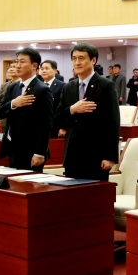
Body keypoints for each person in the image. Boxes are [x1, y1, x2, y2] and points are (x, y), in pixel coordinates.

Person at [54, 43, 120, 181]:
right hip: (72, 154)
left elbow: (112, 121)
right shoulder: (68, 87)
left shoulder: (105, 85)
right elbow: (57, 118)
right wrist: (72, 109)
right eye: (74, 58)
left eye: (81, 58)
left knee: (94, 199)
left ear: (93, 60)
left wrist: (110, 156)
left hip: (95, 154)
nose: (77, 62)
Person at [0, 48, 53, 172]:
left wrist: (40, 153)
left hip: (31, 149)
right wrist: (13, 103)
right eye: (17, 62)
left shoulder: (42, 89)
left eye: (22, 62)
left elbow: (46, 124)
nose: (18, 65)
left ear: (34, 65)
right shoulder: (12, 87)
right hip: (12, 146)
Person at [40, 60, 65, 137]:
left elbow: (64, 107)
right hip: (38, 126)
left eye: (47, 68)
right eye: (42, 69)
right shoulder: (37, 86)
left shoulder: (63, 86)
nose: (44, 71)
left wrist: (63, 127)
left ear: (55, 71)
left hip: (54, 126)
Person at [0, 63, 18, 133]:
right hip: (5, 119)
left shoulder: (23, 85)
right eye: (10, 67)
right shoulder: (5, 85)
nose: (11, 69)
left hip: (18, 120)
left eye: (14, 67)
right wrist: (8, 90)